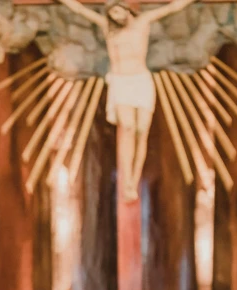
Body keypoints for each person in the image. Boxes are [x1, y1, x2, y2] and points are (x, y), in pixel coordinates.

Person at [54, 0, 197, 201]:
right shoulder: (107, 27)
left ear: (126, 8)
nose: (115, 16)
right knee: (128, 127)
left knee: (142, 130)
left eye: (117, 11)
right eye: (111, 13)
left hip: (140, 81)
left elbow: (172, 7)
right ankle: (127, 179)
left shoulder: (142, 23)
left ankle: (134, 179)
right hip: (121, 83)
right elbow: (80, 9)